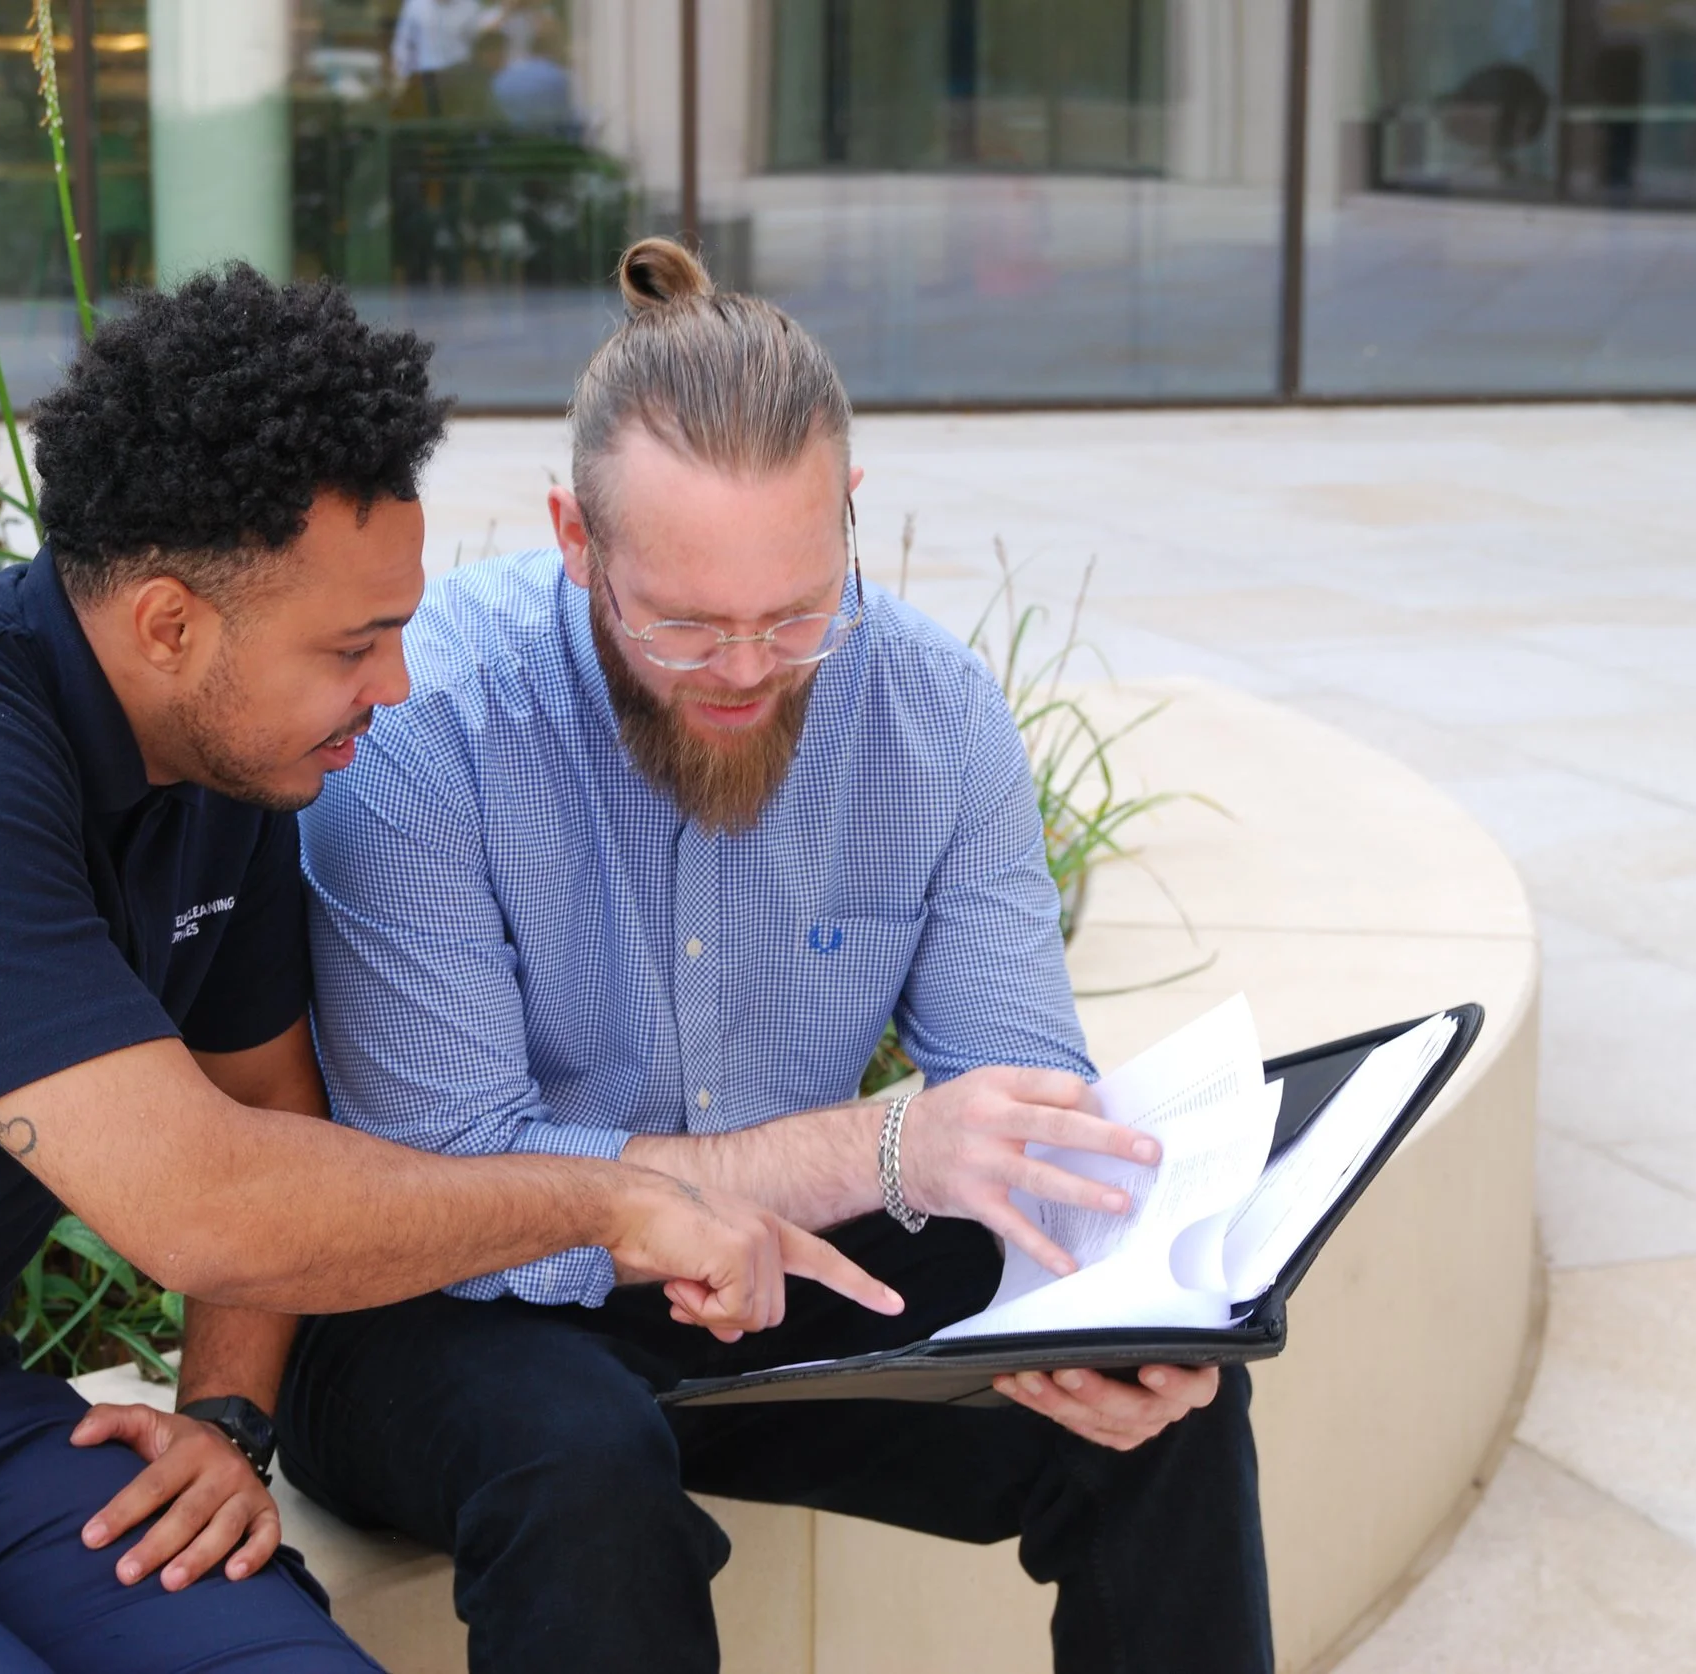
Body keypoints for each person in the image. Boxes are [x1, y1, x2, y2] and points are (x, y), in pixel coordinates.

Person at [0, 264, 896, 1674]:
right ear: (171, 623)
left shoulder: (225, 773)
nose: (395, 684)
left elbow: (272, 1113)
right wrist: (625, 1200)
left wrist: (229, 1422)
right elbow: (208, 1203)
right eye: (356, 644)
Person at [281, 239, 1274, 1674]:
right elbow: (453, 1177)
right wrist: (882, 1151)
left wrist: (1102, 1300)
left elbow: (1014, 1102)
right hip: (445, 1301)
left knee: (1168, 1407)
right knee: (583, 1469)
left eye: (797, 614)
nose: (746, 669)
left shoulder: (931, 714)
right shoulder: (431, 724)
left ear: (850, 516)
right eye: (681, 625)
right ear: (575, 537)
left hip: (775, 1285)